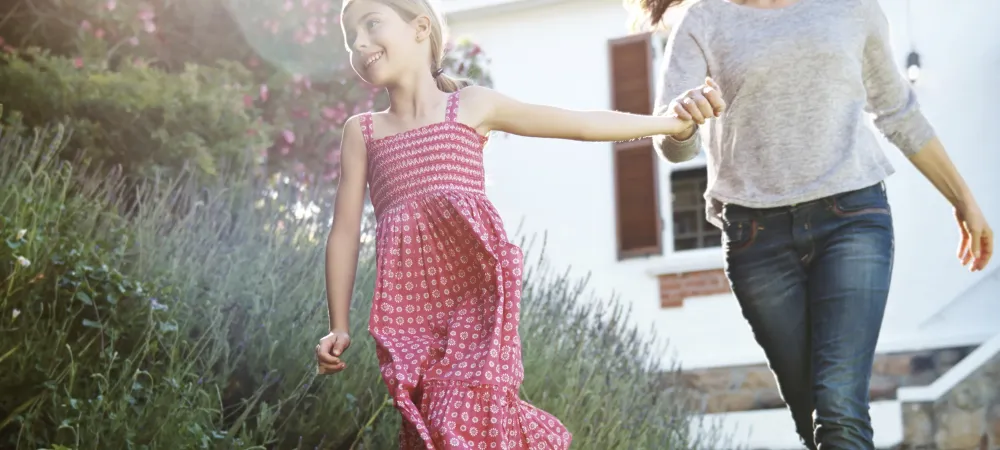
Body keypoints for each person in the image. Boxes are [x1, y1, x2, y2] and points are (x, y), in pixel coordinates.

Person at [314, 0, 696, 448]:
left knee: (459, 411)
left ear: (420, 27)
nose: (359, 43)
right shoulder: (363, 132)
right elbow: (344, 232)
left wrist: (671, 123)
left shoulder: (470, 105)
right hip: (408, 313)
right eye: (350, 38)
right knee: (429, 430)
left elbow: (579, 124)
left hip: (477, 298)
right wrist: (338, 324)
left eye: (371, 23)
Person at [631, 0, 994, 448]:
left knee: (839, 408)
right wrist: (683, 121)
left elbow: (899, 112)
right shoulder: (702, 19)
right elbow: (674, 147)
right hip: (756, 237)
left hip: (853, 219)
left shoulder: (852, 7)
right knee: (812, 416)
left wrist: (963, 200)